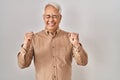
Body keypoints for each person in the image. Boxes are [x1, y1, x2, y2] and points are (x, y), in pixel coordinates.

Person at [17, 2, 88, 80]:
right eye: (48, 16)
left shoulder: (70, 38)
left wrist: (76, 45)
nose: (51, 19)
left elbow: (83, 62)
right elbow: (22, 65)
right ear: (43, 17)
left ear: (60, 18)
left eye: (54, 16)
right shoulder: (34, 39)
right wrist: (25, 46)